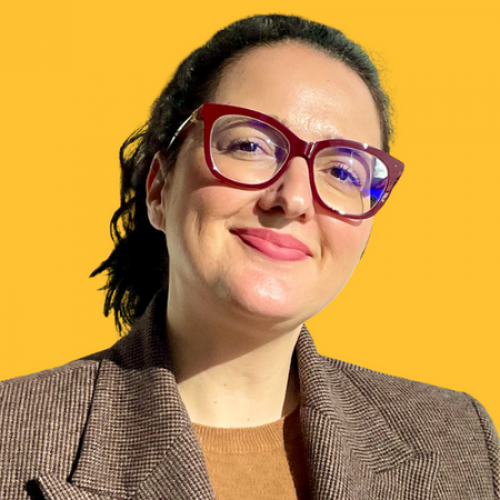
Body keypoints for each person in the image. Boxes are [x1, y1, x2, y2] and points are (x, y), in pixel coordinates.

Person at [0, 14, 497, 500]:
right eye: (250, 146)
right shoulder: (12, 438)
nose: (294, 198)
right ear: (158, 188)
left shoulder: (460, 441)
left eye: (344, 172)